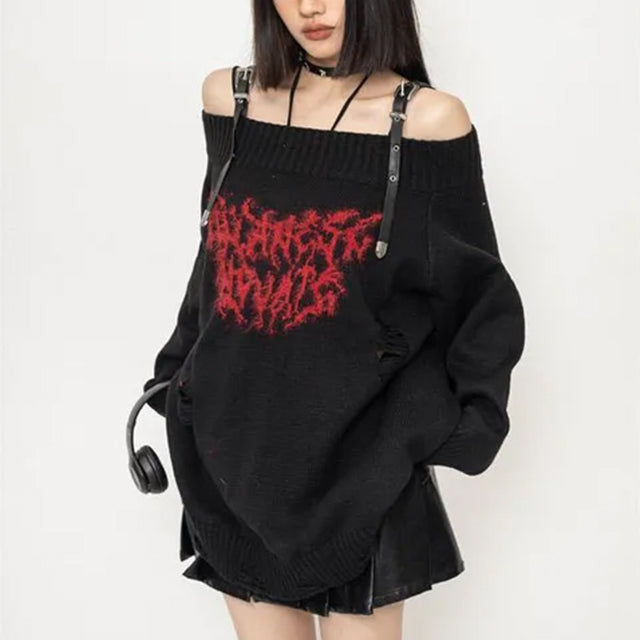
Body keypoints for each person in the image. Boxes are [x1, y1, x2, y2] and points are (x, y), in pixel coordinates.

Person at [141, 0, 526, 638]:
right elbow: (218, 258)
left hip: (360, 469)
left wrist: (463, 425)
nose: (310, 8)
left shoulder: (427, 122)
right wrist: (177, 380)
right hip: (234, 453)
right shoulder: (231, 100)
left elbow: (480, 299)